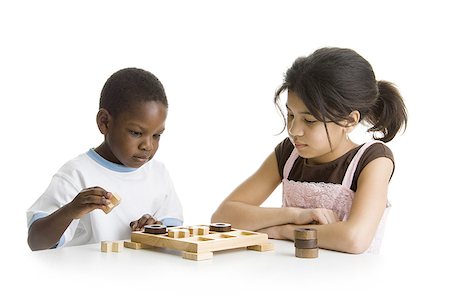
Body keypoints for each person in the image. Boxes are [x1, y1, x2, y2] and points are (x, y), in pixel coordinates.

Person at [211, 47, 407, 254]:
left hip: (351, 281)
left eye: (310, 120)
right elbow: (223, 217)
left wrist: (283, 231)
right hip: (292, 275)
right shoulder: (289, 155)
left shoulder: (373, 160)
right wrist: (294, 215)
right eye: (290, 115)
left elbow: (354, 239)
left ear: (349, 121)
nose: (294, 130)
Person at [27, 68, 183, 251]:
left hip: (144, 277)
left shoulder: (159, 174)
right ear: (105, 122)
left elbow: (175, 236)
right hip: (87, 278)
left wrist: (155, 230)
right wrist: (70, 210)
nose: (148, 145)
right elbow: (36, 243)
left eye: (157, 135)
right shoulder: (77, 174)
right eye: (136, 133)